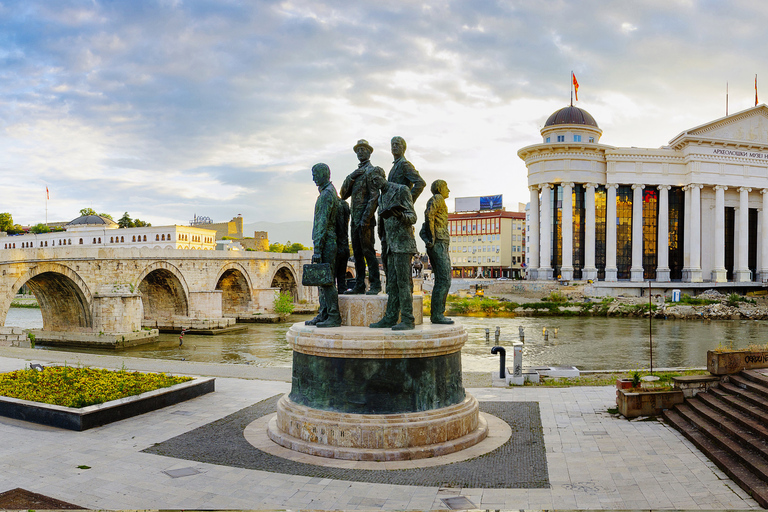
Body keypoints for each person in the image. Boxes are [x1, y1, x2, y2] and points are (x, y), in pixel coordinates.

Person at [369, 172, 418, 331]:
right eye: (372, 182)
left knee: (403, 283)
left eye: (376, 179)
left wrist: (400, 215)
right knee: (392, 284)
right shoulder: (381, 197)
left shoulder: (401, 190)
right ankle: (390, 317)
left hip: (403, 244)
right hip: (389, 245)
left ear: (383, 176)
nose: (375, 183)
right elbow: (382, 224)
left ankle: (408, 319)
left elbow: (413, 216)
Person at [339, 139, 384, 295]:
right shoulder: (356, 175)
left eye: (363, 149)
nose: (360, 152)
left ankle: (376, 284)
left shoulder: (373, 171)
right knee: (357, 253)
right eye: (358, 150)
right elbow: (343, 194)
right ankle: (359, 285)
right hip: (355, 220)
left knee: (368, 252)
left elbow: (374, 197)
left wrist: (366, 218)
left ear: (369, 152)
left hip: (366, 221)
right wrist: (351, 176)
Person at [305, 163, 341, 328]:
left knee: (326, 280)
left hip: (326, 242)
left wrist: (317, 249)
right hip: (330, 240)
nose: (313, 178)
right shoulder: (330, 192)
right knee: (324, 280)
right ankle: (324, 313)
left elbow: (322, 223)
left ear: (323, 174)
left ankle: (333, 315)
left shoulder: (326, 195)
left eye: (315, 174)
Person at [420, 179, 454, 324]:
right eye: (446, 186)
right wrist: (432, 238)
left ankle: (437, 313)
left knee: (442, 279)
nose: (449, 190)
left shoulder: (437, 200)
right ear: (440, 188)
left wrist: (427, 238)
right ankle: (437, 314)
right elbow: (429, 215)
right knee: (444, 279)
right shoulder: (438, 199)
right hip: (439, 243)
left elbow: (424, 224)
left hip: (440, 243)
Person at [335, 198, 351, 293]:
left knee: (331, 278)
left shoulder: (335, 205)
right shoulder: (345, 205)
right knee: (341, 277)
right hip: (345, 247)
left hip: (336, 246)